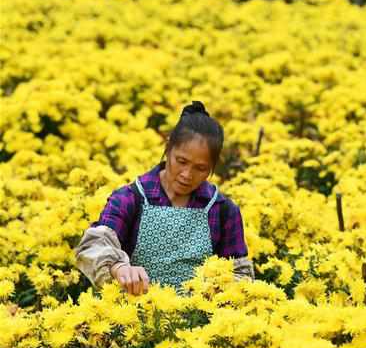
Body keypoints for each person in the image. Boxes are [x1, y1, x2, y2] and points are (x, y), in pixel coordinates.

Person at [75, 101, 254, 295]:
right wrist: (119, 268)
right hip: (133, 316)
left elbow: (240, 274)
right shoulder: (131, 198)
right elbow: (94, 245)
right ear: (168, 148)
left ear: (212, 167)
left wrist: (221, 288)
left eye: (200, 168)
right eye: (181, 161)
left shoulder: (223, 210)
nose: (187, 174)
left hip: (201, 320)